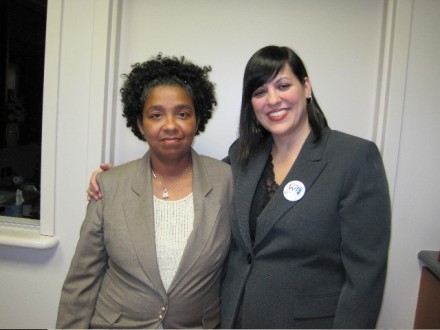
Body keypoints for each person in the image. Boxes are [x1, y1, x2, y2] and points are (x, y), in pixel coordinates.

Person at [88, 46, 391, 329]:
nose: (272, 100)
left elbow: (365, 277)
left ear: (306, 87)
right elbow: (190, 177)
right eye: (260, 91)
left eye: (283, 86)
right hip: (235, 318)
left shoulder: (353, 157)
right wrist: (122, 180)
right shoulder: (244, 156)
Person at [57, 54, 233, 329]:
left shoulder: (227, 181)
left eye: (183, 113)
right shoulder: (110, 185)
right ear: (140, 124)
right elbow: (82, 280)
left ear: (197, 120)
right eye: (156, 115)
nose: (171, 125)